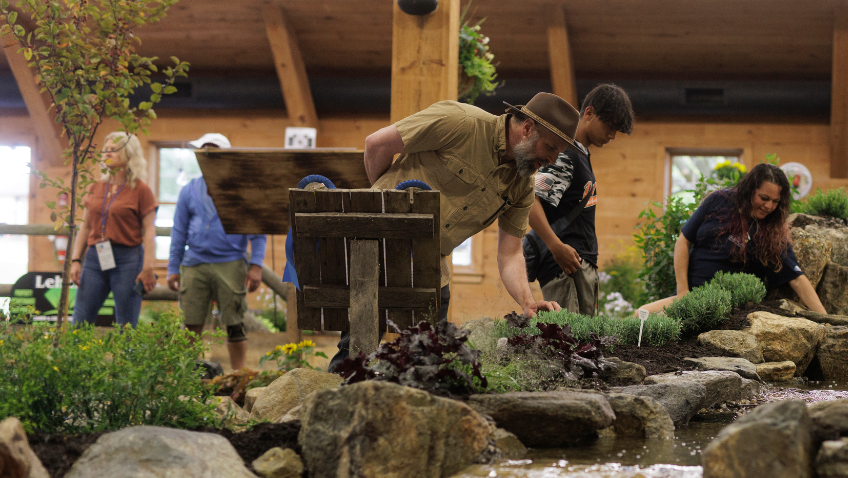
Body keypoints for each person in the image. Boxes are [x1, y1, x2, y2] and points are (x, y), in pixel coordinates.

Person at [322, 92, 577, 371]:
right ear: (527, 128)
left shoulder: (522, 186)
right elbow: (377, 144)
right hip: (377, 249)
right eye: (550, 147)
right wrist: (385, 205)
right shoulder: (460, 122)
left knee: (429, 364)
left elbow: (510, 253)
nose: (552, 160)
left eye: (559, 153)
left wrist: (528, 302)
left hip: (430, 267)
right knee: (355, 353)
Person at [638, 162, 828, 315]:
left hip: (728, 307)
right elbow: (683, 241)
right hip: (689, 296)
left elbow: (796, 278)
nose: (769, 206)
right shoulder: (718, 200)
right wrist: (682, 292)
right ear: (750, 190)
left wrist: (827, 320)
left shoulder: (773, 230)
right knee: (641, 315)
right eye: (764, 198)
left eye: (775, 201)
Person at [527, 84, 635, 315]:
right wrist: (556, 247)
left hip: (577, 267)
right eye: (610, 126)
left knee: (583, 336)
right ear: (589, 113)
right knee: (569, 335)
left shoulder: (580, 155)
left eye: (616, 131)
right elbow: (529, 201)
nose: (612, 135)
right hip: (565, 269)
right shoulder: (566, 154)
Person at [166, 133, 266, 371]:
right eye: (204, 152)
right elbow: (178, 231)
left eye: (213, 151)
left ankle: (238, 375)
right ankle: (186, 375)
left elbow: (257, 230)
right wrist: (172, 267)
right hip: (194, 262)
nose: (208, 156)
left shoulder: (240, 189)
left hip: (231, 262)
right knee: (191, 323)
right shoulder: (189, 190)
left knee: (235, 323)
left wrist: (256, 265)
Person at [69, 132, 158, 327]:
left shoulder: (141, 190)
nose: (107, 153)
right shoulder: (95, 187)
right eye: (106, 149)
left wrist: (148, 267)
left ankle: (126, 350)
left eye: (114, 149)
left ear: (129, 154)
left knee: (127, 323)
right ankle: (75, 349)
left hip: (128, 258)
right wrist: (75, 260)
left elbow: (150, 231)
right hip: (95, 256)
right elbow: (85, 226)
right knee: (80, 320)